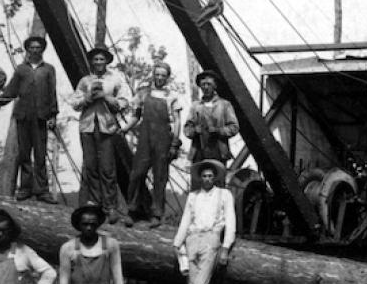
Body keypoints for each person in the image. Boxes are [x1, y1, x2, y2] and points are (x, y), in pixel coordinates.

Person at [67, 45, 133, 225]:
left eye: (101, 59)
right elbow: (74, 101)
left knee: (107, 168)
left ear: (107, 61)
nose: (98, 62)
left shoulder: (115, 79)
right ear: (92, 62)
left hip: (107, 127)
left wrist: (105, 97)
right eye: (95, 59)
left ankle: (110, 206)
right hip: (87, 127)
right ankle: (95, 204)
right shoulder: (85, 81)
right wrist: (88, 98)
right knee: (91, 166)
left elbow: (125, 102)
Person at [172, 160, 235, 284]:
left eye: (210, 176)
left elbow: (231, 223)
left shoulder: (224, 195)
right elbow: (185, 220)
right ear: (200, 178)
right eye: (204, 176)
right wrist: (178, 242)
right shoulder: (193, 196)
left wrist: (225, 247)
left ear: (215, 178)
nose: (207, 179)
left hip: (211, 238)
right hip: (192, 239)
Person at [0, 35, 58, 203]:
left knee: (41, 155)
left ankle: (42, 191)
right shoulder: (21, 69)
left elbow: (52, 94)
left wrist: (53, 115)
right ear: (27, 50)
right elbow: (11, 91)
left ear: (42, 50)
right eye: (31, 48)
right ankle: (25, 189)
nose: (35, 50)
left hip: (41, 117)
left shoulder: (48, 69)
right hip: (23, 116)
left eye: (38, 47)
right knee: (24, 154)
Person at [124, 61, 183, 228]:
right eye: (157, 74)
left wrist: (174, 143)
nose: (159, 78)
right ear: (153, 75)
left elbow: (177, 121)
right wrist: (125, 129)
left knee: (160, 177)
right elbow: (136, 116)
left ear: (167, 78)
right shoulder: (143, 93)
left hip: (163, 139)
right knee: (137, 173)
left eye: (163, 76)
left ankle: (157, 214)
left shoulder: (171, 97)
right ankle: (132, 211)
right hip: (145, 138)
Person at [183, 70, 239, 187]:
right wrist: (194, 131)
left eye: (209, 84)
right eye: (203, 85)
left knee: (218, 185)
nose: (206, 87)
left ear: (215, 86)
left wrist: (219, 131)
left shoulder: (225, 105)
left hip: (218, 151)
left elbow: (234, 127)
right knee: (197, 186)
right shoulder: (196, 106)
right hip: (199, 152)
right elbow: (187, 129)